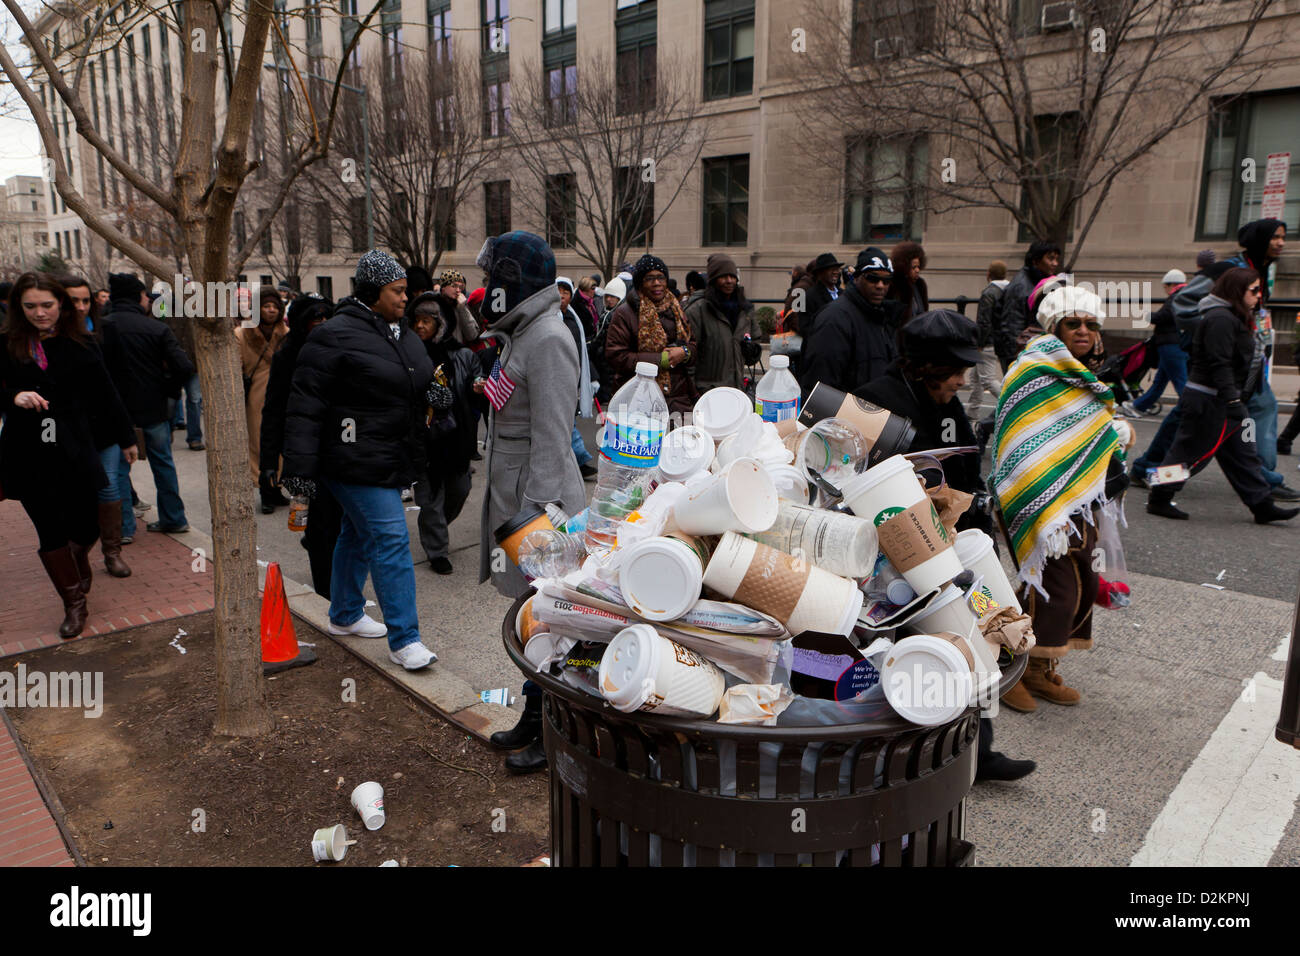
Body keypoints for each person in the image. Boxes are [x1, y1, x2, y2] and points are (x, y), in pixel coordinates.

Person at [857, 310, 1033, 781]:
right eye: (953, 368)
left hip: (956, 545)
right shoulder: (876, 401)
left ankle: (980, 749)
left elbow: (966, 468)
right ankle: (929, 755)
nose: (961, 378)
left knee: (978, 636)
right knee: (929, 650)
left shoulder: (945, 401)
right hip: (899, 560)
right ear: (921, 364)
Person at [282, 250, 438, 671]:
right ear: (372, 292)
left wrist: (436, 396)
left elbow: (417, 378)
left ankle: (345, 614)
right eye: (398, 291)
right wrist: (299, 472)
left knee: (354, 534)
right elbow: (304, 406)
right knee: (390, 540)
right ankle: (405, 639)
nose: (406, 298)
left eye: (406, 290)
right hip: (349, 459)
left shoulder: (400, 333)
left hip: (387, 455)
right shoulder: (333, 335)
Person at [475, 232, 586, 775]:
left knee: (551, 620)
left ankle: (554, 730)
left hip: (536, 503)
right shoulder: (524, 333)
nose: (487, 286)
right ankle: (533, 713)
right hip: (515, 495)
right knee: (529, 616)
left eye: (495, 276)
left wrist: (538, 526)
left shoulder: (548, 338)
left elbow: (552, 437)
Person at [991, 285, 1129, 710]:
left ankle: (1039, 668)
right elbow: (1023, 440)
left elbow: (1083, 428)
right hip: (1037, 498)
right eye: (1073, 323)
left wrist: (1111, 433)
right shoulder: (1032, 371)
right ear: (1055, 327)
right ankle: (1010, 667)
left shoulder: (1081, 373)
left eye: (1091, 324)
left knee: (1080, 578)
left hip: (1077, 498)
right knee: (1055, 584)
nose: (1084, 331)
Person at [0, 273, 137, 636]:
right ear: (19, 307)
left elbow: (108, 394)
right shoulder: (7, 344)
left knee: (87, 523)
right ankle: (74, 603)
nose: (40, 313)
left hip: (74, 447)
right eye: (30, 306)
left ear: (61, 304)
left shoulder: (82, 343)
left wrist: (127, 438)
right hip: (27, 451)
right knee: (49, 530)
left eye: (47, 305)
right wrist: (14, 396)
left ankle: (78, 557)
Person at [1145, 268, 1298, 525]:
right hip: (1210, 399)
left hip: (1221, 399)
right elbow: (1220, 363)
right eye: (1253, 290)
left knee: (1243, 454)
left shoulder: (1231, 316)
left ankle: (1261, 504)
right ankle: (1159, 498)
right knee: (1186, 453)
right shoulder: (1220, 318)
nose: (1258, 296)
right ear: (1237, 291)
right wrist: (1233, 400)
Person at [260, 294, 342, 597]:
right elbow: (273, 410)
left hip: (341, 448)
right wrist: (269, 461)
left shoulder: (341, 350)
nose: (321, 325)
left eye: (325, 318)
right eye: (313, 320)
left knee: (341, 526)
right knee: (319, 528)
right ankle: (326, 593)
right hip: (305, 454)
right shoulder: (287, 356)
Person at [99, 272, 193, 535]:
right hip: (152, 407)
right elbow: (184, 367)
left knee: (118, 471)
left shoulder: (102, 328)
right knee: (163, 464)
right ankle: (174, 518)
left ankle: (124, 528)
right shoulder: (156, 328)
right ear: (138, 297)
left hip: (115, 412)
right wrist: (168, 390)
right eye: (145, 296)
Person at [60, 275, 136, 577]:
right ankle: (75, 552)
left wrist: (127, 433)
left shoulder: (106, 331)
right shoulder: (48, 339)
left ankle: (112, 552)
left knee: (110, 487)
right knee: (73, 493)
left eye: (85, 300)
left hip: (104, 428)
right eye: (72, 300)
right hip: (63, 431)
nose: (80, 307)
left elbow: (118, 384)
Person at [407, 287, 484, 575]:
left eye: (427, 320)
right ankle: (437, 549)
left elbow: (476, 385)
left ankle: (435, 527)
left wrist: (478, 387)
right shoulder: (410, 355)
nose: (420, 325)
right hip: (425, 443)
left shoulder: (462, 355)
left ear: (441, 324)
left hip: (457, 439)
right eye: (417, 320)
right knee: (430, 501)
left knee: (459, 491)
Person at [799, 246, 903, 395]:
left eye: (886, 280)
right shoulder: (833, 318)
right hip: (846, 415)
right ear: (858, 278)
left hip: (873, 413)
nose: (880, 285)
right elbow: (820, 389)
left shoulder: (882, 317)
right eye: (873, 278)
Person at [605, 254, 697, 420]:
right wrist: (660, 360)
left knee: (678, 444)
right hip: (637, 400)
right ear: (640, 282)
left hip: (678, 399)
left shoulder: (677, 309)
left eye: (661, 277)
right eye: (650, 278)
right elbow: (616, 356)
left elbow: (694, 345)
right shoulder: (625, 313)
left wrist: (684, 352)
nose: (657, 283)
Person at [238, 288, 289, 511]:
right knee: (259, 444)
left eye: (275, 306)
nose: (271, 310)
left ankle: (276, 487)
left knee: (279, 444)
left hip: (282, 394)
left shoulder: (286, 334)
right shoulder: (242, 334)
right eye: (266, 306)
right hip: (256, 396)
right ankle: (265, 492)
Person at [685, 252, 759, 394]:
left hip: (737, 391)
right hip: (706, 392)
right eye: (723, 277)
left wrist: (752, 350)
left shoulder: (744, 310)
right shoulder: (697, 310)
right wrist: (693, 392)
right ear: (713, 280)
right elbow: (688, 356)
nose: (729, 280)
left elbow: (754, 342)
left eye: (732, 276)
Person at [993, 239, 1063, 371]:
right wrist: (1018, 358)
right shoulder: (1021, 286)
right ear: (1035, 260)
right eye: (1050, 258)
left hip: (1030, 351)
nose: (1055, 263)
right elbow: (1011, 326)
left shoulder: (1037, 283)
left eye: (1056, 259)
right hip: (1020, 354)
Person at [1130, 269, 1190, 416]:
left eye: (1165, 286)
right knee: (1160, 381)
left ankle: (1190, 410)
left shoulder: (1176, 297)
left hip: (1171, 344)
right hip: (1172, 344)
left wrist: (1149, 316)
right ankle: (1139, 406)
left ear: (1172, 284)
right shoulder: (1183, 296)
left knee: (1180, 381)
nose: (1165, 289)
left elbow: (1165, 316)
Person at [557, 277, 598, 480]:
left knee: (568, 421)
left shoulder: (573, 318)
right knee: (565, 423)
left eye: (566, 292)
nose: (562, 296)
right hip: (555, 378)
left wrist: (591, 377)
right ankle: (579, 461)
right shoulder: (550, 319)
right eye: (558, 291)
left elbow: (581, 350)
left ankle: (575, 461)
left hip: (572, 378)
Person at [970, 261, 1008, 418]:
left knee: (987, 380)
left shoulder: (989, 293)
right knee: (975, 376)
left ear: (988, 274)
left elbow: (984, 321)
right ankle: (972, 411)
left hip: (988, 342)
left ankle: (1011, 403)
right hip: (1001, 338)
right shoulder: (1010, 290)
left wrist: (979, 343)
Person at [888, 241, 929, 326]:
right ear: (904, 267)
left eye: (918, 267)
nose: (917, 270)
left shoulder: (919, 285)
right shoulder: (894, 286)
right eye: (913, 267)